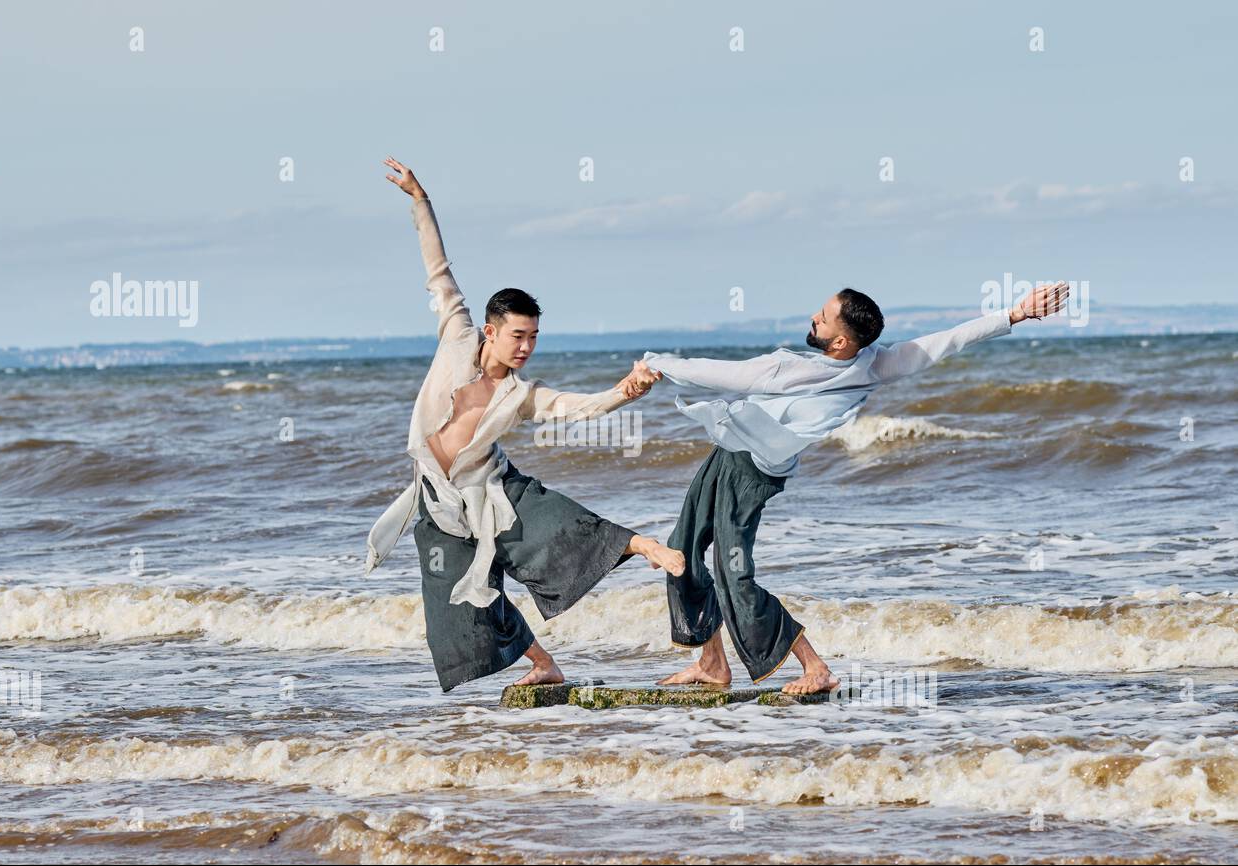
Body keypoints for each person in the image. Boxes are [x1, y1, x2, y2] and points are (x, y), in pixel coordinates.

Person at [643, 282, 1070, 693]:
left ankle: (817, 669)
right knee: (680, 547)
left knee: (734, 574)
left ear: (842, 343)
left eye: (824, 318)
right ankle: (712, 663)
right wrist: (1016, 311)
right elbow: (947, 341)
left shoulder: (830, 367)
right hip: (727, 451)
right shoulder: (865, 362)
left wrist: (657, 363)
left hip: (752, 470)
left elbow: (724, 374)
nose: (813, 318)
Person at [366, 157, 682, 692]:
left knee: (558, 529)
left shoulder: (521, 394)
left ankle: (642, 546)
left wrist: (624, 392)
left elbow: (578, 409)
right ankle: (544, 664)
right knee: (460, 601)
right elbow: (437, 269)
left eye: (534, 336)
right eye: (518, 336)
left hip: (493, 488)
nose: (527, 347)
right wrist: (420, 200)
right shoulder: (457, 334)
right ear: (490, 331)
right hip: (436, 498)